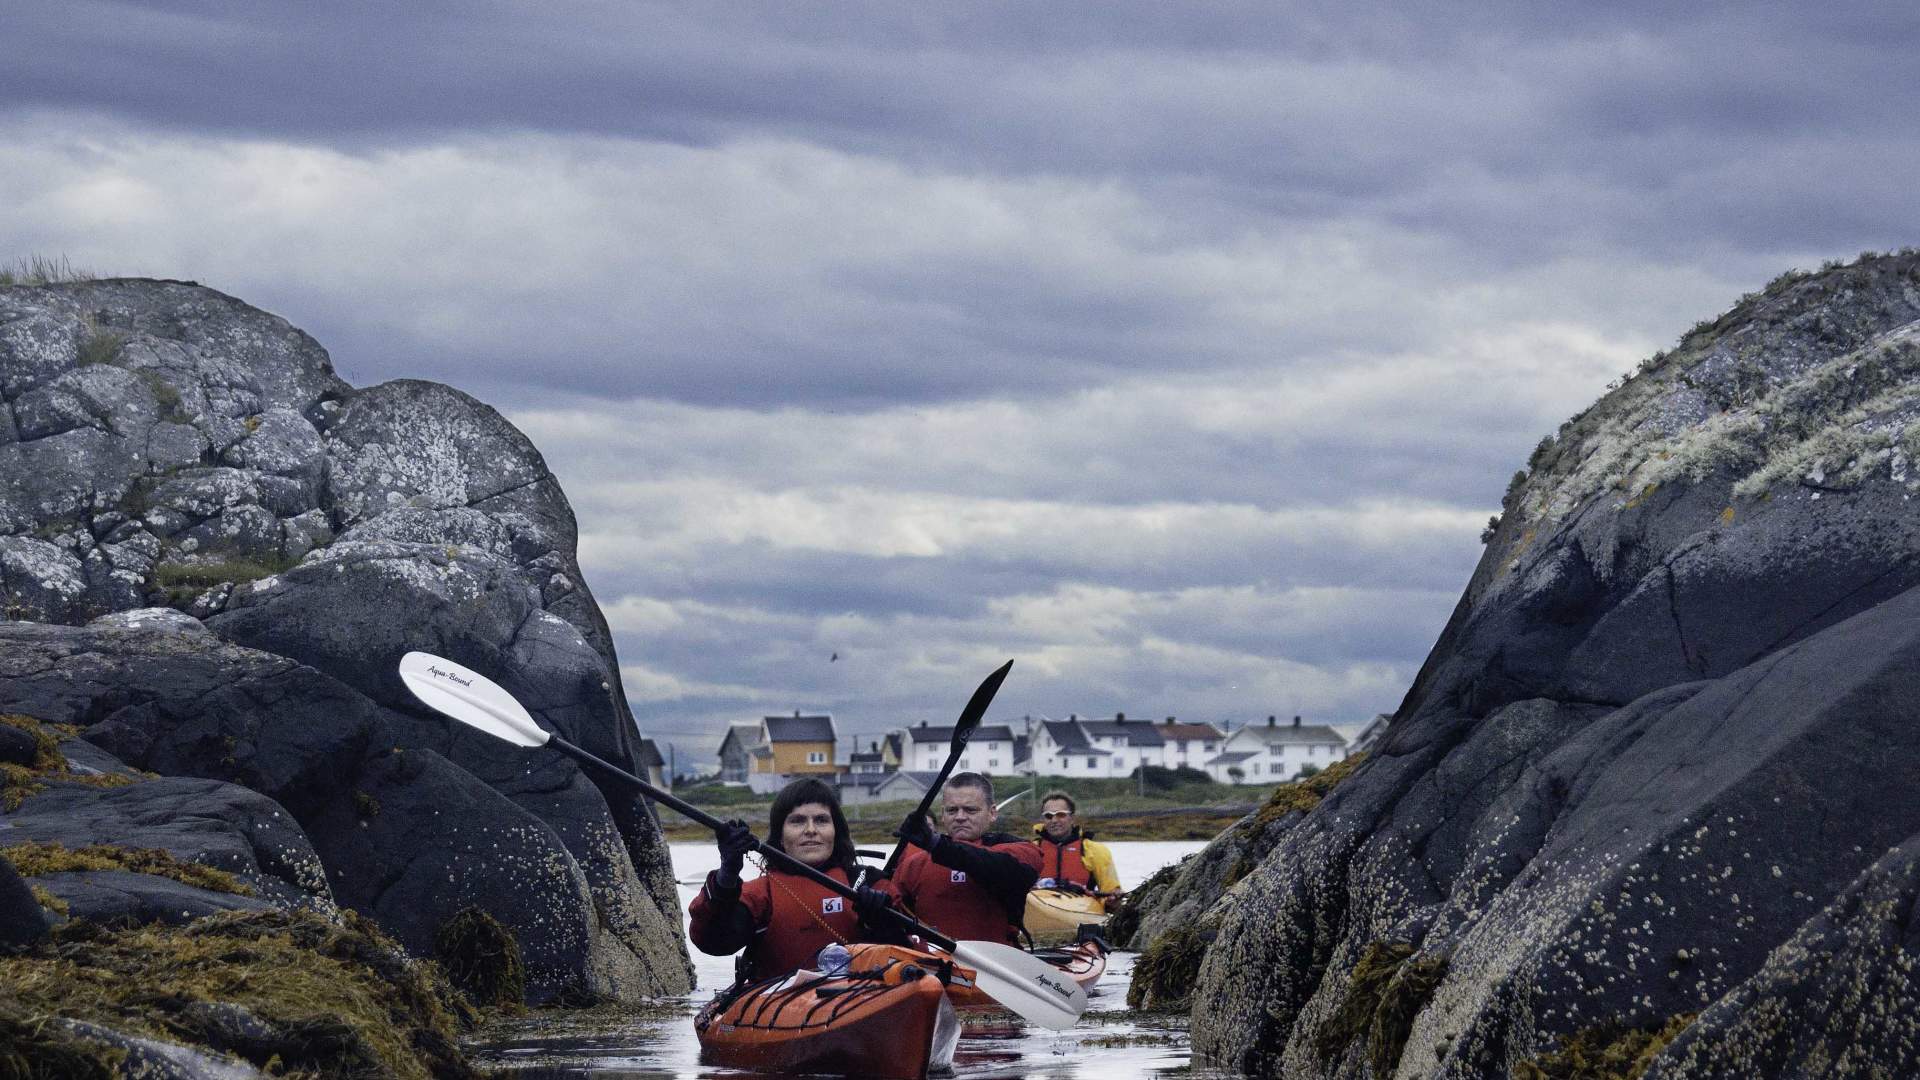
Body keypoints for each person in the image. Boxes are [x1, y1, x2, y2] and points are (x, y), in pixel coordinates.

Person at [687, 777, 897, 983]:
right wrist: (727, 872)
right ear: (780, 836)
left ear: (836, 831)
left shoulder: (870, 883)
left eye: (821, 820)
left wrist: (885, 927)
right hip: (778, 1004)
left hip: (862, 996)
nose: (811, 830)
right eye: (797, 821)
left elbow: (916, 956)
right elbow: (713, 942)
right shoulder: (760, 895)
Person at [891, 772, 1041, 946]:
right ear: (942, 815)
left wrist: (937, 845)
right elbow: (892, 913)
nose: (960, 817)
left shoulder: (1021, 851)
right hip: (932, 965)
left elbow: (999, 867)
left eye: (970, 810)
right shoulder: (915, 863)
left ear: (992, 813)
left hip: (996, 963)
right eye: (952, 810)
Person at [1031, 791, 1122, 901]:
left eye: (1061, 815)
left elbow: (1112, 894)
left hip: (1082, 910)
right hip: (1039, 907)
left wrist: (1112, 900)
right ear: (1043, 820)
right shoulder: (1030, 851)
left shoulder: (1095, 851)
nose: (1054, 820)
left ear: (1072, 818)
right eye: (1048, 816)